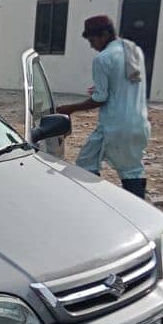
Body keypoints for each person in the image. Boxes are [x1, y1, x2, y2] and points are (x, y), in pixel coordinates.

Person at [57, 15, 150, 199]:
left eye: (93, 40)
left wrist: (69, 108)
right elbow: (125, 83)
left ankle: (101, 203)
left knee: (100, 166)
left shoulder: (103, 58)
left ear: (105, 34)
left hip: (116, 126)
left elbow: (100, 99)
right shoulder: (133, 50)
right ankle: (126, 206)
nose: (92, 46)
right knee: (99, 163)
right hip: (139, 123)